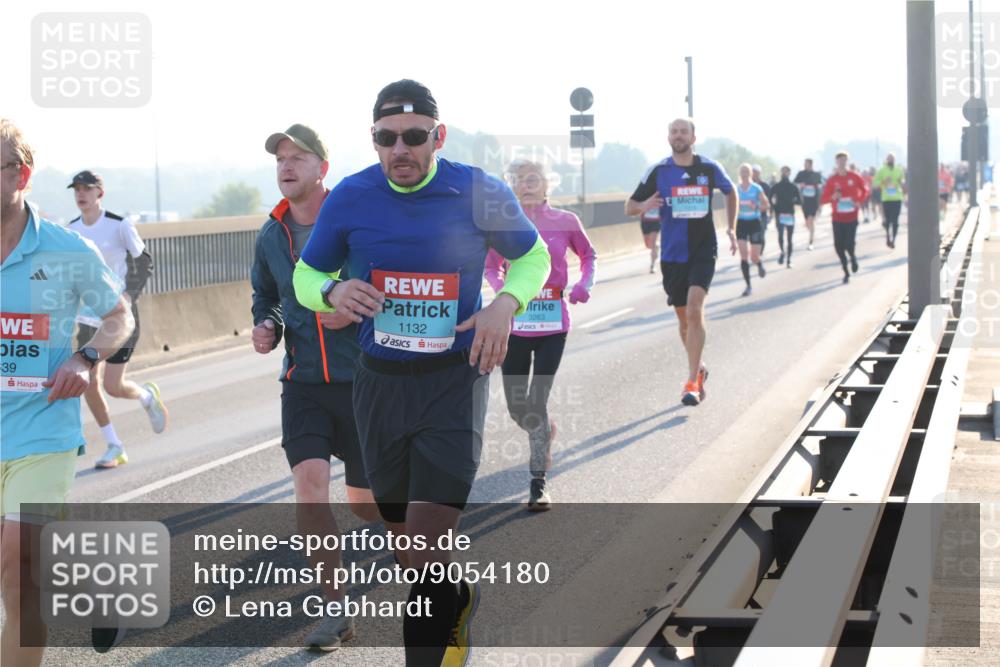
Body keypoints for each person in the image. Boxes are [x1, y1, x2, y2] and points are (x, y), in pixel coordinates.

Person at [292, 80, 550, 667]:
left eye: (413, 137)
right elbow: (306, 277)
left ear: (438, 135)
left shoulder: (477, 189)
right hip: (378, 386)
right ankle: (459, 594)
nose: (400, 149)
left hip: (454, 383)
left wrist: (503, 304)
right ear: (375, 140)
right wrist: (332, 288)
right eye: (387, 138)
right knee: (409, 546)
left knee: (428, 544)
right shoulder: (353, 197)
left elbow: (532, 255)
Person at [252, 123, 391, 651]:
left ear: (321, 168)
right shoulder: (271, 235)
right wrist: (265, 325)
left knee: (365, 505)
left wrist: (353, 317)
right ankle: (335, 609)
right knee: (309, 486)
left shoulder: (357, 223)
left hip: (364, 382)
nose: (286, 166)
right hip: (304, 384)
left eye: (298, 157)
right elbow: (265, 294)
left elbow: (393, 290)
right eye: (280, 158)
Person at [1, 119, 133, 667]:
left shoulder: (64, 249)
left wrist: (86, 357)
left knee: (18, 568)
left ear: (21, 175)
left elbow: (117, 316)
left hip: (42, 426)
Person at [484, 159, 596, 511]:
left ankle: (538, 483)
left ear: (547, 185)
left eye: (534, 179)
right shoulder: (504, 224)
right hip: (515, 325)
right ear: (512, 187)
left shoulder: (566, 222)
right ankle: (544, 430)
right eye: (520, 180)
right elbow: (490, 266)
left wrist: (583, 283)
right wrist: (505, 291)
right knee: (519, 407)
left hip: (553, 326)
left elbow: (589, 255)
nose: (527, 184)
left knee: (536, 401)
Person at [625, 117, 737, 407]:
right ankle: (698, 368)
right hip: (672, 255)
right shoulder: (658, 171)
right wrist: (645, 205)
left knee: (695, 309)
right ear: (668, 138)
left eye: (683, 131)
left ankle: (691, 382)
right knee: (684, 319)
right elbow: (629, 206)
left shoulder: (709, 168)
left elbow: (731, 191)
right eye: (674, 132)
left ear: (693, 137)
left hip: (703, 250)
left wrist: (732, 228)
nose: (678, 136)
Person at [66, 171, 165, 468]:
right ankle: (114, 445)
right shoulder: (71, 230)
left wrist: (128, 297)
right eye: (77, 190)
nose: (81, 194)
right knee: (89, 382)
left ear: (100, 193)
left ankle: (146, 395)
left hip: (120, 316)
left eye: (87, 189)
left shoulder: (119, 225)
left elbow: (144, 262)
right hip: (88, 317)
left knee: (113, 386)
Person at [821, 151, 869, 284]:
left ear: (847, 161)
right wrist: (832, 197)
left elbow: (865, 190)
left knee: (849, 243)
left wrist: (858, 200)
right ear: (836, 162)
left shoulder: (854, 177)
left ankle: (852, 257)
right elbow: (823, 199)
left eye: (844, 160)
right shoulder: (832, 180)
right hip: (837, 217)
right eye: (840, 160)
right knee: (838, 245)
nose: (842, 163)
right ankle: (845, 269)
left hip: (852, 216)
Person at [735, 164, 768, 296]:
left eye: (746, 171)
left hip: (754, 223)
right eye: (741, 171)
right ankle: (748, 286)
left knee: (754, 257)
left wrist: (756, 206)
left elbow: (766, 205)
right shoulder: (736, 189)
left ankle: (759, 264)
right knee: (744, 256)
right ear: (739, 173)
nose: (744, 173)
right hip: (741, 223)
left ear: (750, 173)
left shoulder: (756, 188)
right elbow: (732, 206)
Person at [769, 166, 802, 267]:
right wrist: (774, 207)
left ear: (789, 173)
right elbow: (769, 198)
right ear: (781, 173)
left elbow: (800, 201)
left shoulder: (793, 186)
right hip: (780, 214)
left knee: (789, 238)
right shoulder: (777, 186)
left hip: (790, 214)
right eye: (783, 171)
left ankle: (789, 260)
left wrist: (793, 201)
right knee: (780, 235)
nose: (784, 173)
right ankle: (782, 252)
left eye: (786, 171)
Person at [873, 153, 906, 249]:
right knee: (887, 221)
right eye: (889, 159)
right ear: (886, 160)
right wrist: (883, 182)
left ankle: (893, 240)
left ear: (895, 160)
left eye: (892, 159)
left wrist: (901, 182)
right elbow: (875, 184)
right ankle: (888, 235)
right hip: (886, 198)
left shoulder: (899, 170)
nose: (891, 161)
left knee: (895, 221)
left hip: (897, 198)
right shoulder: (881, 171)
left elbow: (903, 180)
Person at [793, 158, 822, 250]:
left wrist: (815, 186)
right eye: (804, 164)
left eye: (807, 164)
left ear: (811, 164)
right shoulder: (801, 174)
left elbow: (821, 185)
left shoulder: (816, 174)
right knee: (807, 221)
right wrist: (800, 185)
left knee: (811, 219)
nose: (805, 165)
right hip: (804, 201)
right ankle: (812, 232)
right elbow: (794, 183)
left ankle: (811, 241)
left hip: (814, 200)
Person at [751, 165, 772, 254]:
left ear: (760, 173)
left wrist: (771, 214)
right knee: (752, 236)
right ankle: (755, 252)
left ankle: (760, 252)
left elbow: (769, 201)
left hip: (762, 215)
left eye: (756, 172)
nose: (755, 174)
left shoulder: (765, 186)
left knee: (761, 235)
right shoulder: (747, 185)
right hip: (750, 215)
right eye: (753, 172)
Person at [639, 205, 660, 273]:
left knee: (652, 243)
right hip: (645, 221)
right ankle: (656, 247)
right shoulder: (644, 194)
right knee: (648, 245)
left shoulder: (660, 195)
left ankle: (652, 265)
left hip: (656, 221)